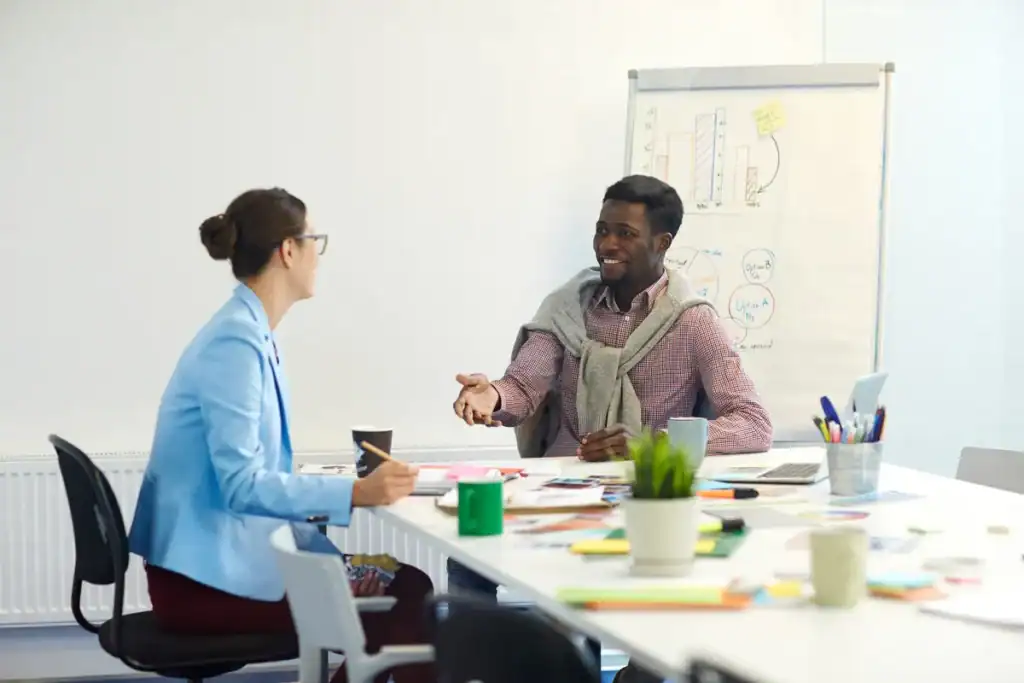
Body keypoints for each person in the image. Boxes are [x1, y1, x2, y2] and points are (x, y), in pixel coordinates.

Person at [450, 174, 773, 683]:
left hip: (636, 508)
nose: (607, 245)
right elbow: (523, 384)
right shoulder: (568, 308)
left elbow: (753, 422)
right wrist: (487, 395)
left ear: (662, 243)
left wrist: (652, 447)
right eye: (602, 230)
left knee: (648, 645)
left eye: (624, 233)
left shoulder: (694, 322)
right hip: (557, 499)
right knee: (465, 553)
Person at [128, 188, 435, 683]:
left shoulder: (248, 331)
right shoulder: (235, 344)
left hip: (214, 564)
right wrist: (355, 492)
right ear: (288, 251)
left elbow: (250, 467)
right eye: (314, 239)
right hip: (205, 584)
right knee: (408, 593)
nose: (319, 254)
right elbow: (242, 484)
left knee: (406, 589)